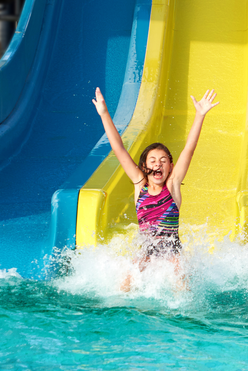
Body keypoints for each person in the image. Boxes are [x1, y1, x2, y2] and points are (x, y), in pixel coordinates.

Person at [92, 87, 219, 290]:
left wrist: (200, 115)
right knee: (125, 283)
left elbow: (189, 149)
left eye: (163, 161)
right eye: (152, 160)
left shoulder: (172, 185)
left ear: (171, 167)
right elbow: (118, 149)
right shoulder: (139, 185)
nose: (158, 164)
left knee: (180, 283)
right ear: (144, 167)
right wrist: (104, 113)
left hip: (172, 250)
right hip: (146, 249)